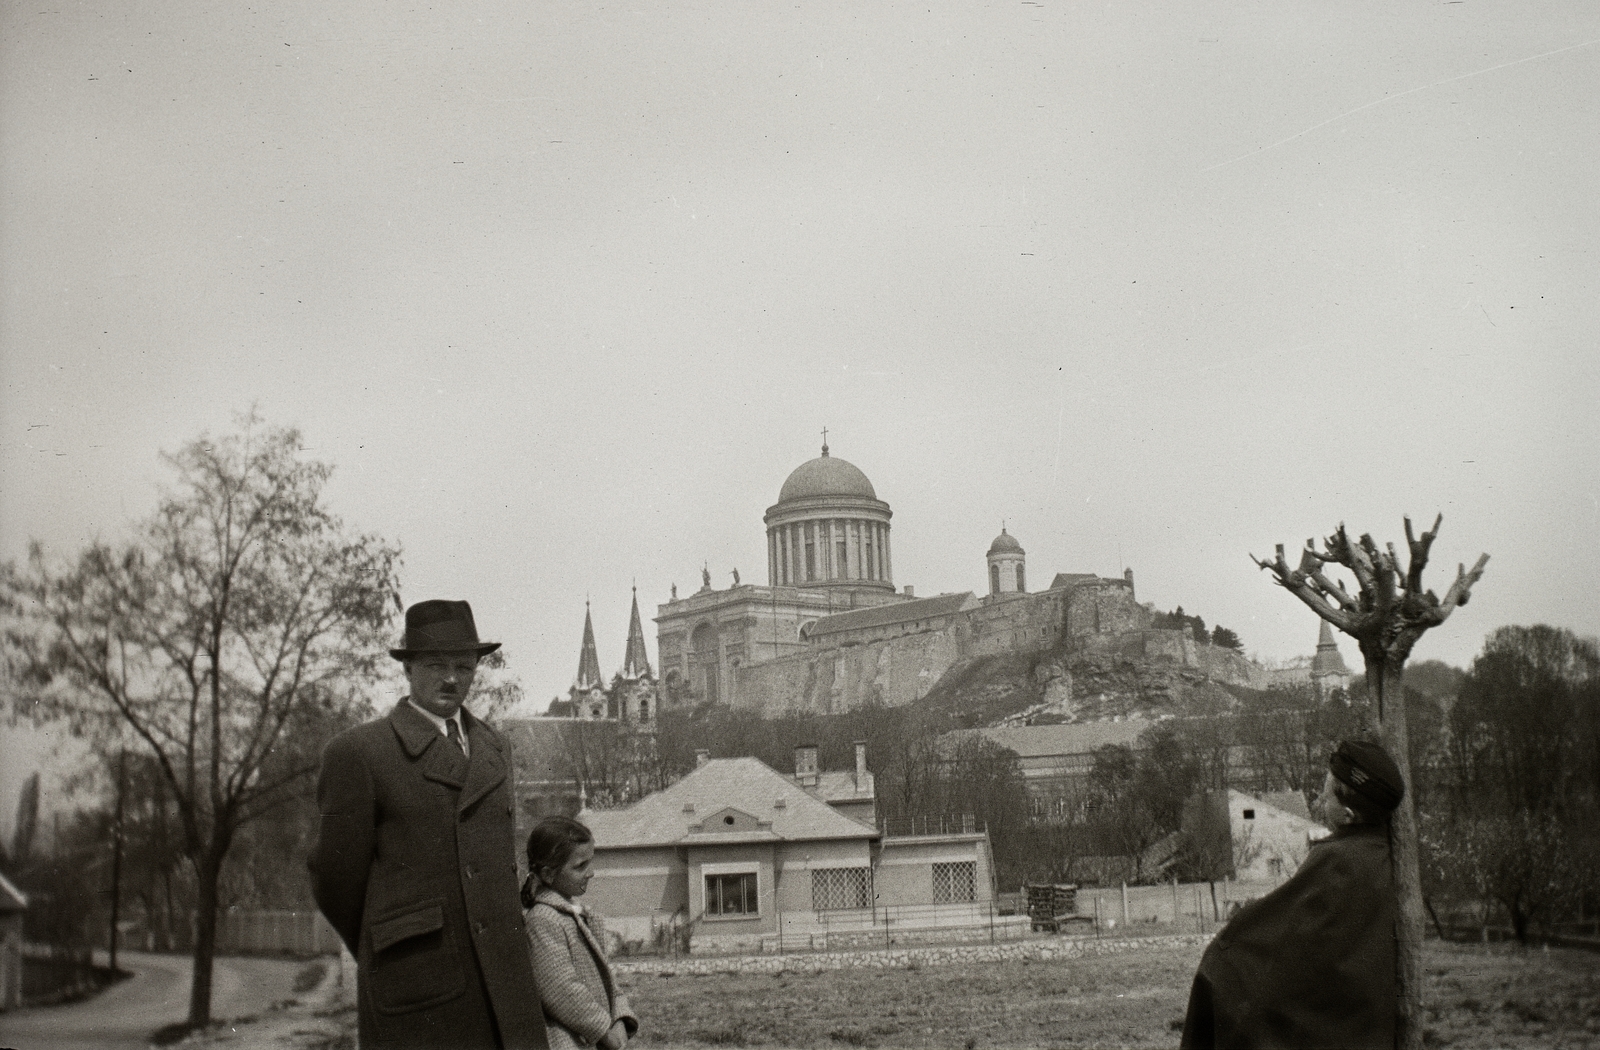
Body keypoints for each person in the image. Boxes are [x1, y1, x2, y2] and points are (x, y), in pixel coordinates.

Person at [309, 599, 546, 1049]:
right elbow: (333, 879)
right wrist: (391, 943)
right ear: (408, 670)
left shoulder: (494, 748)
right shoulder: (361, 752)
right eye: (436, 664)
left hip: (506, 981)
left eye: (464, 665)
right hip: (419, 986)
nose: (452, 678)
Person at [1180, 739, 1407, 1050]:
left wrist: (1228, 949)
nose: (1319, 799)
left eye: (1327, 795)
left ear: (1348, 814)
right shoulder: (1389, 855)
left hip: (1339, 1028)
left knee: (1219, 974)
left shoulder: (1337, 861)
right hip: (1370, 1026)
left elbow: (1277, 939)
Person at [521, 816, 639, 1050]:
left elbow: (607, 980)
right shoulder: (544, 919)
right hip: (570, 1041)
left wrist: (620, 1019)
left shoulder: (574, 915)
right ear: (548, 874)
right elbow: (560, 988)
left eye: (590, 862)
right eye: (579, 866)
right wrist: (603, 1029)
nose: (591, 873)